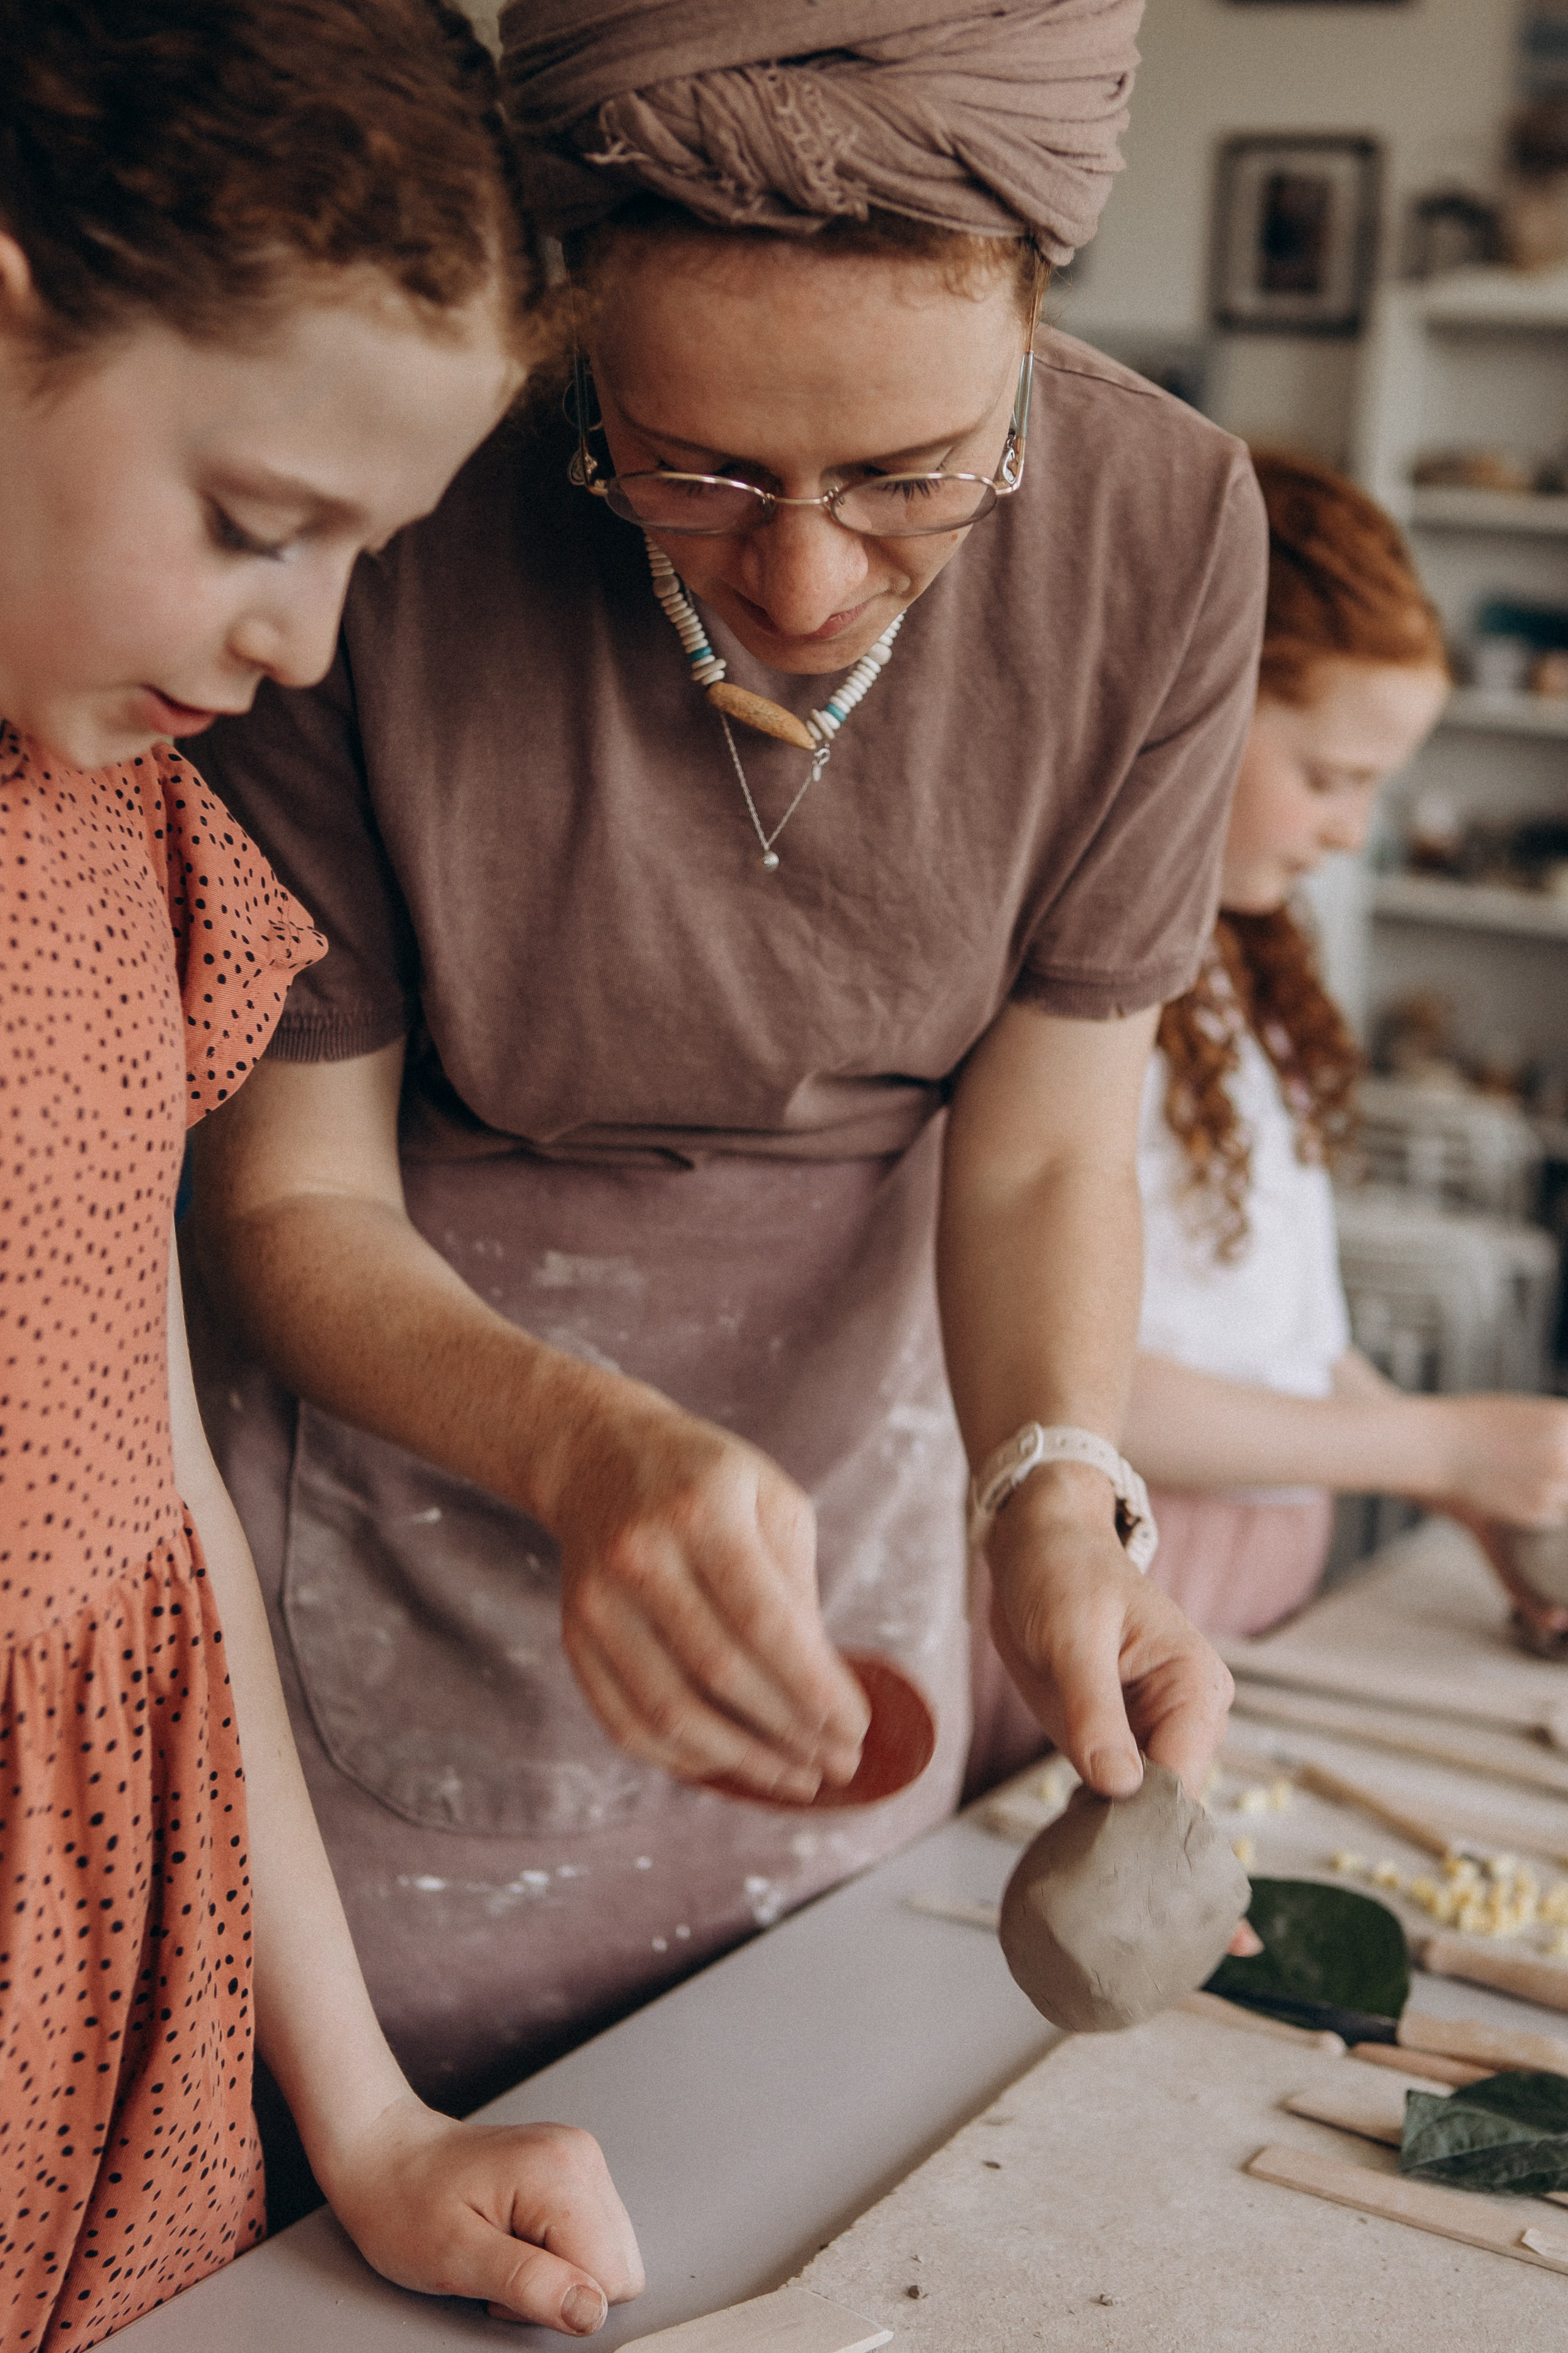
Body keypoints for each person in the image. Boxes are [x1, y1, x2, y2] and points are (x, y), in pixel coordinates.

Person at [186, 0, 1256, 2117]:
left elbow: (1046, 1149)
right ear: (571, 337)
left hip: (870, 1460)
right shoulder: (397, 509)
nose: (804, 578)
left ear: (1035, 331)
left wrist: (1053, 1485)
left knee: (802, 2104)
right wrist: (585, 1452)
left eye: (910, 480)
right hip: (412, 1452)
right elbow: (288, 1194)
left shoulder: (1163, 524)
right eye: (691, 469)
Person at [0, 4, 642, 2343]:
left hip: (108, 2065)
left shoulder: (121, 844)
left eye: (366, 553)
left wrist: (364, 2121)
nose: (303, 645)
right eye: (262, 526)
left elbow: (151, 1500)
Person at [968, 449, 1568, 1791]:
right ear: (1194, 705)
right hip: (1106, 1573)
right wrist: (1432, 1443)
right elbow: (1077, 1383)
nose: (1354, 832)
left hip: (1241, 1581)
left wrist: (1455, 1474)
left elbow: (1286, 1342)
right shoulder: (1067, 993)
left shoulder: (1241, 965)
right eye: (1330, 774)